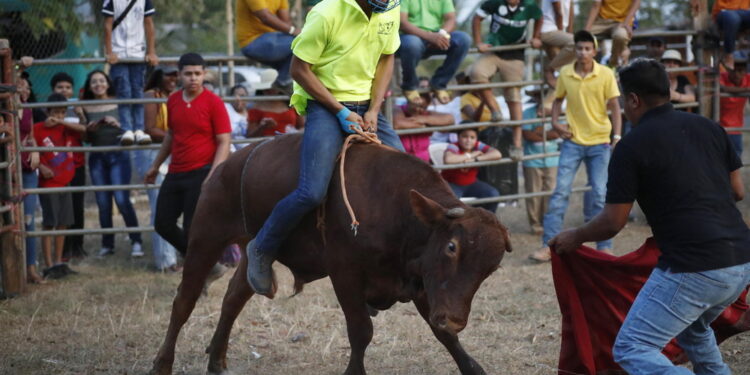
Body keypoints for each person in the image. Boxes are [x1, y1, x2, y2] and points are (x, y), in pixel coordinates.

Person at [550, 58, 750, 375]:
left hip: (695, 264)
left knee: (632, 348)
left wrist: (575, 236)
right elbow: (737, 191)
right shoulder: (710, 127)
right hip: (741, 260)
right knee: (694, 329)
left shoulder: (631, 146)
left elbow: (613, 222)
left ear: (633, 99)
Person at [244, 0, 406, 296]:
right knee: (312, 191)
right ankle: (261, 247)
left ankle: (379, 266)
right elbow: (298, 68)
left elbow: (387, 58)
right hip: (325, 106)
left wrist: (373, 109)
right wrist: (340, 112)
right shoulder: (326, 12)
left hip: (367, 107)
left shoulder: (389, 9)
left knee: (404, 181)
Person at [530, 30, 622, 262]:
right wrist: (555, 123)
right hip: (572, 140)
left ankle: (604, 246)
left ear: (595, 51)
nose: (583, 52)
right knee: (560, 192)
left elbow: (614, 106)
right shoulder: (566, 74)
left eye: (587, 48)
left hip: (600, 140)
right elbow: (558, 100)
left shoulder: (606, 74)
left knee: (600, 193)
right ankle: (548, 246)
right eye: (579, 48)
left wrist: (617, 136)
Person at [144, 53, 231, 281]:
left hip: (202, 171)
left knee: (193, 228)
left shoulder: (214, 102)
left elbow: (224, 140)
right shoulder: (172, 100)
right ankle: (207, 264)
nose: (193, 78)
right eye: (188, 74)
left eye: (198, 74)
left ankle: (197, 275)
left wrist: (213, 175)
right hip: (175, 172)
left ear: (204, 74)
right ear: (179, 75)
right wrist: (155, 166)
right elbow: (171, 135)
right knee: (162, 223)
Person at [80, 70, 144, 258]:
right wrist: (88, 128)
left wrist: (118, 123)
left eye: (101, 80)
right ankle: (107, 244)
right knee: (102, 202)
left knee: (122, 199)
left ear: (108, 83)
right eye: (94, 82)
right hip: (97, 157)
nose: (98, 84)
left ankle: (136, 241)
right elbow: (84, 137)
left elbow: (132, 129)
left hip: (119, 154)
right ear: (89, 86)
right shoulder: (85, 105)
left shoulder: (119, 101)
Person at [469, 0, 543, 161]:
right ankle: (495, 110)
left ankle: (517, 144)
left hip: (515, 55)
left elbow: (539, 17)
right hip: (493, 49)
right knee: (476, 72)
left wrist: (536, 37)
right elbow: (476, 18)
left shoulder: (529, 6)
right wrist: (479, 42)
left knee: (514, 96)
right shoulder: (495, 3)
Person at [33, 94, 86, 277]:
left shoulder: (66, 128)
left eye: (63, 112)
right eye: (56, 111)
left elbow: (83, 129)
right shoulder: (37, 129)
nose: (59, 115)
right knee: (50, 223)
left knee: (63, 224)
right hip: (49, 183)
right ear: (47, 111)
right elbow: (28, 151)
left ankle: (59, 261)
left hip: (66, 181)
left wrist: (62, 122)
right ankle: (48, 264)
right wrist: (41, 166)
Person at [103, 0, 156, 146]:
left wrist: (151, 51)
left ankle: (139, 129)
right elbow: (107, 25)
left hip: (137, 52)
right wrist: (109, 52)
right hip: (118, 54)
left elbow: (149, 24)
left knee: (138, 91)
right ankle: (126, 129)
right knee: (123, 90)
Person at [397, 0, 471, 105]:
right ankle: (409, 86)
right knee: (412, 44)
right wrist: (430, 37)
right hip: (411, 36)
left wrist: (441, 34)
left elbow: (451, 19)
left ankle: (439, 84)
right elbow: (402, 23)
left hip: (437, 35)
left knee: (463, 40)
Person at [143, 66, 180, 272]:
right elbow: (150, 128)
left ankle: (173, 256)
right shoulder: (152, 95)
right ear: (159, 76)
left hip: (175, 151)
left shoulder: (176, 95)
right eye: (169, 75)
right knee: (160, 205)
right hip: (155, 152)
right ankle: (165, 261)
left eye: (176, 75)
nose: (173, 78)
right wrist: (177, 136)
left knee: (174, 206)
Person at [50, 72, 87, 261]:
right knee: (62, 209)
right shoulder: (47, 109)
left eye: (67, 87)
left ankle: (77, 246)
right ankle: (62, 250)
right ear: (53, 90)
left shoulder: (76, 108)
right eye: (59, 87)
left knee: (77, 205)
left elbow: (86, 131)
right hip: (57, 167)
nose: (64, 90)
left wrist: (79, 112)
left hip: (77, 164)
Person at [16, 75, 44, 283]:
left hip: (26, 168)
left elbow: (31, 135)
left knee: (29, 219)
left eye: (26, 87)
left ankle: (31, 267)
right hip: (7, 168)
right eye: (19, 86)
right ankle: (12, 270)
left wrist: (35, 149)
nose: (24, 90)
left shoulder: (27, 107)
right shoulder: (4, 108)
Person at [237, 0, 299, 90]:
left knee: (303, 45)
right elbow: (265, 17)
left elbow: (286, 21)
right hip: (252, 42)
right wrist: (294, 31)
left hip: (274, 39)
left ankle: (284, 82)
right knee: (301, 44)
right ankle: (283, 82)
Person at [521, 91, 560, 235]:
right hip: (532, 159)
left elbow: (558, 133)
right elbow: (527, 135)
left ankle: (547, 222)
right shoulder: (528, 112)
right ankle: (535, 225)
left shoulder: (557, 112)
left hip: (552, 159)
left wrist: (537, 131)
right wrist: (546, 134)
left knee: (550, 192)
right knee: (534, 194)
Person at [442, 128, 502, 212]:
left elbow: (497, 154)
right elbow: (448, 159)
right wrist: (470, 155)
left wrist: (475, 159)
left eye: (472, 137)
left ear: (476, 139)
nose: (468, 140)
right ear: (458, 137)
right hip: (452, 183)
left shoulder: (477, 145)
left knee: (493, 194)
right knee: (452, 205)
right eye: (464, 136)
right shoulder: (453, 146)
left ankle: (484, 220)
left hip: (471, 183)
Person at [393, 91, 455, 162]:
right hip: (401, 161)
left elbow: (450, 119)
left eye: (422, 107)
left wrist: (424, 119)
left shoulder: (426, 114)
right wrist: (429, 123)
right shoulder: (397, 109)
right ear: (408, 101)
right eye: (415, 105)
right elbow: (398, 124)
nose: (417, 109)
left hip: (423, 162)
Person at [584, 0, 641, 67]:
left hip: (620, 22)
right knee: (581, 37)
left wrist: (626, 22)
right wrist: (586, 30)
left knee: (621, 36)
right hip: (601, 21)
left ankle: (613, 63)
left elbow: (637, 2)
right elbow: (596, 4)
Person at [719, 51, 750, 158]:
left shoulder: (748, 78)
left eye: (740, 70)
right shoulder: (722, 77)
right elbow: (723, 88)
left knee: (736, 161)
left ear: (745, 71)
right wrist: (746, 89)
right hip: (718, 128)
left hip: (736, 129)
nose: (737, 74)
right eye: (734, 70)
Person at [540, 0, 575, 88]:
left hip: (558, 32)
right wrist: (562, 32)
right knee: (576, 43)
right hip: (548, 30)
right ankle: (549, 69)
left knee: (565, 74)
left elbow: (570, 11)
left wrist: (569, 33)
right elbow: (558, 13)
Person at [713, 0, 750, 69]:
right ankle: (729, 55)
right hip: (726, 12)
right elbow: (722, 6)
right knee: (732, 18)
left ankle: (744, 45)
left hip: (743, 13)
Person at [225, 84, 250, 151]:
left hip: (245, 146)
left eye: (242, 96)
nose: (239, 99)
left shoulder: (250, 112)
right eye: (235, 96)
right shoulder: (227, 108)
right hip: (230, 146)